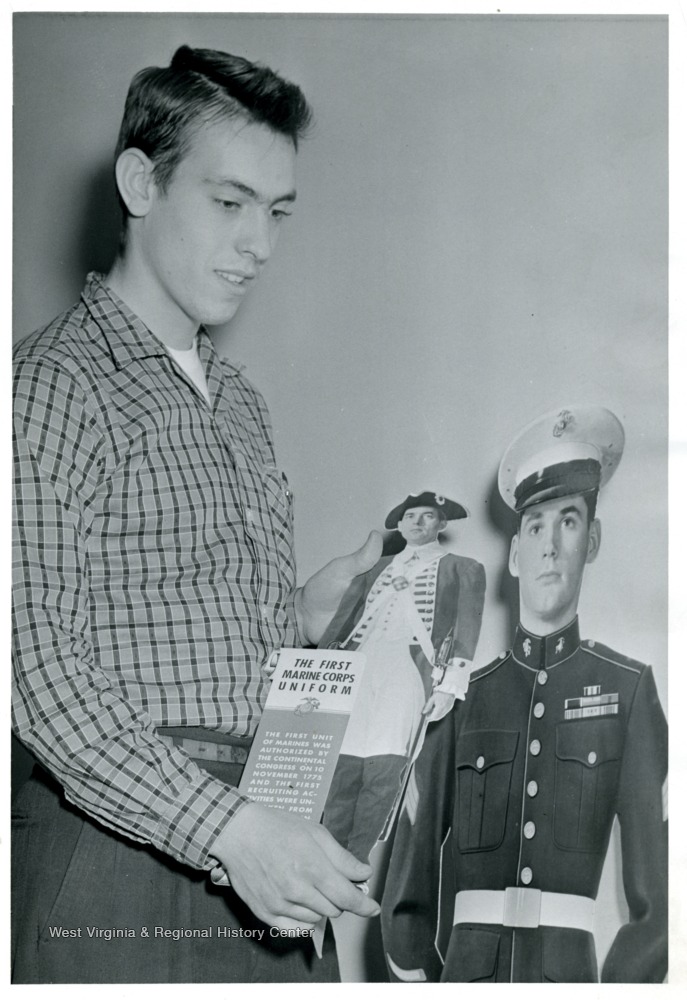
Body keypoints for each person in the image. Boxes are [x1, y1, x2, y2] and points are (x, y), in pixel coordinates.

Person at [12, 45, 382, 985]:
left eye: (277, 211)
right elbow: (32, 668)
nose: (259, 243)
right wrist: (231, 832)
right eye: (229, 203)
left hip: (258, 832)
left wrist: (307, 616)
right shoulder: (49, 386)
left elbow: (179, 629)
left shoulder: (240, 401)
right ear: (141, 183)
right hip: (117, 849)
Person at [381, 406, 668, 983]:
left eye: (569, 522)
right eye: (535, 527)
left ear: (592, 541)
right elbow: (405, 897)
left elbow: (664, 907)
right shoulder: (459, 699)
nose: (550, 547)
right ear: (514, 555)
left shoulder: (628, 692)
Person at [321, 491, 486, 863]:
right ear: (400, 523)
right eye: (411, 515)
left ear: (442, 523)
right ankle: (329, 854)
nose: (418, 522)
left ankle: (354, 860)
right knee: (343, 763)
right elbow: (343, 621)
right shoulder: (375, 568)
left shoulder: (461, 567)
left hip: (407, 667)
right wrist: (317, 667)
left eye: (427, 515)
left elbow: (467, 625)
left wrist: (451, 686)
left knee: (384, 764)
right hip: (357, 668)